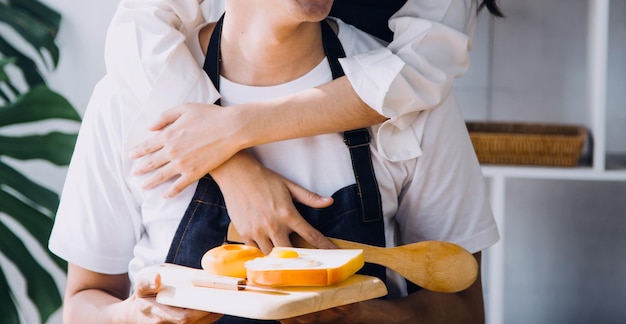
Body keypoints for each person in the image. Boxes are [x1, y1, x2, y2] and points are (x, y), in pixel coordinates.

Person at [49, 0, 499, 324]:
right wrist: (137, 319)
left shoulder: (409, 99)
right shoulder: (132, 95)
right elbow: (84, 322)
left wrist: (360, 314)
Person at [104, 0, 502, 252]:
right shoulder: (123, 98)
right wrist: (231, 165)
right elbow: (140, 26)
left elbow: (420, 69)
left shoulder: (424, 109)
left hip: (385, 111)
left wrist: (234, 129)